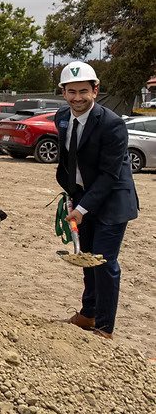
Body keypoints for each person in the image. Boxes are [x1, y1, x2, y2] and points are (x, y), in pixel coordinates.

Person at [56, 62, 138, 339]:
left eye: (83, 91)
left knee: (103, 263)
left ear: (95, 90)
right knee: (85, 259)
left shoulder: (112, 124)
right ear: (63, 92)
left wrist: (81, 209)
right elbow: (68, 160)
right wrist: (71, 195)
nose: (77, 98)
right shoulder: (62, 118)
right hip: (83, 199)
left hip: (113, 201)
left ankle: (104, 327)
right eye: (71, 92)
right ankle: (88, 314)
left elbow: (109, 175)